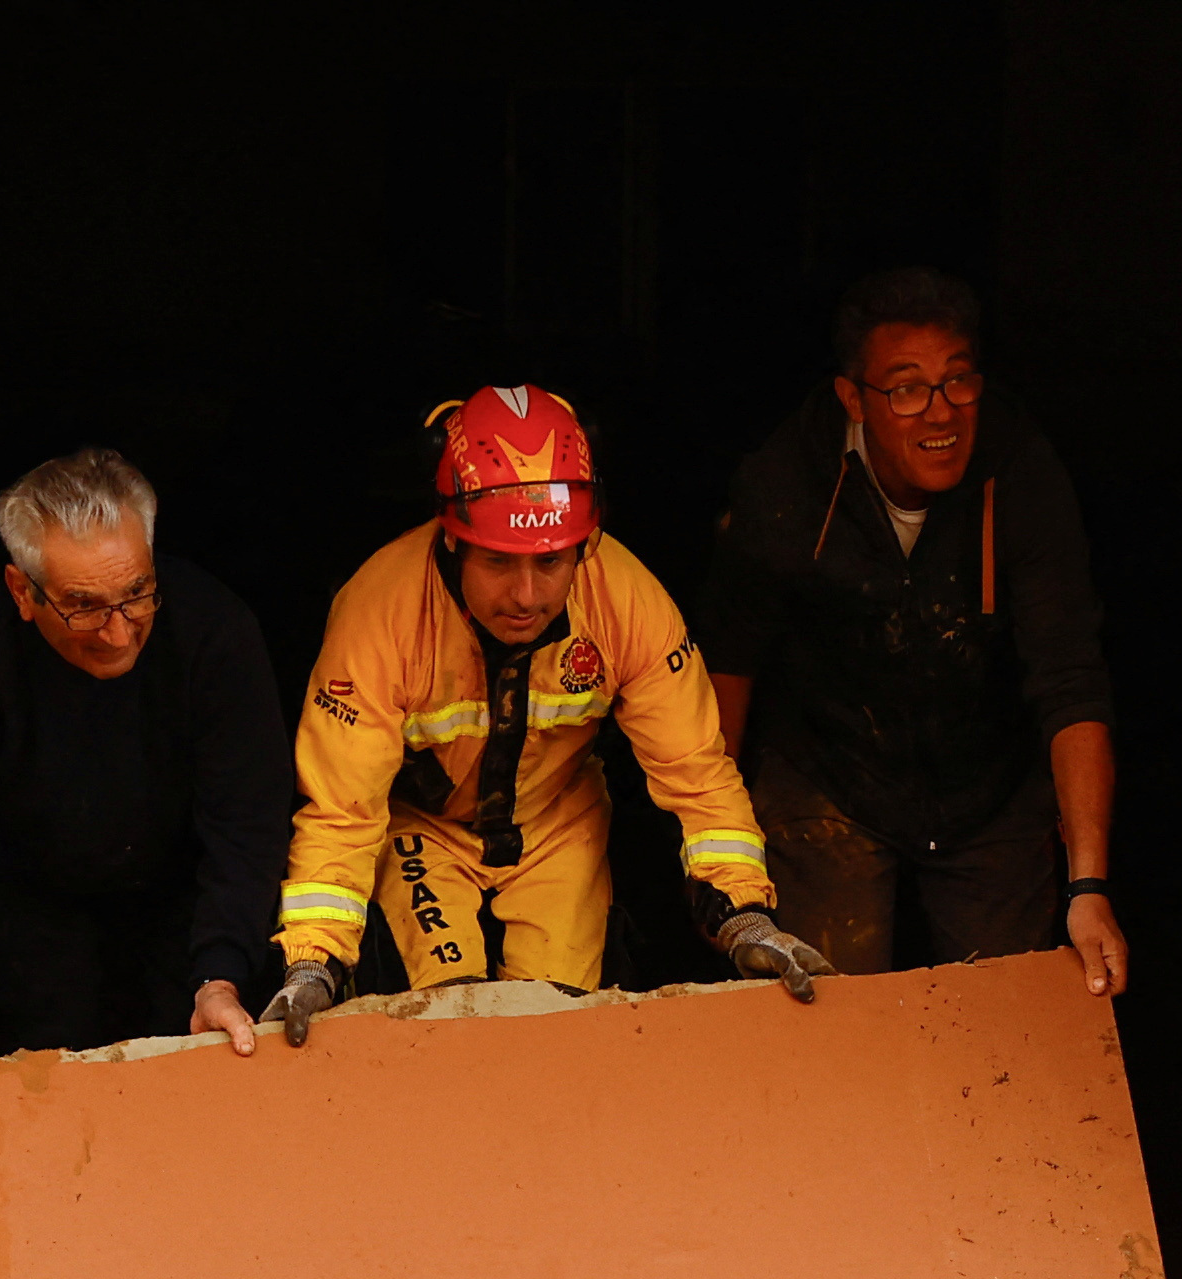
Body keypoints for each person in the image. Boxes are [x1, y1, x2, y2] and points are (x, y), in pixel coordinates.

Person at [265, 383, 826, 1032]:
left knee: (556, 1029)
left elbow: (698, 776)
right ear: (452, 540)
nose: (526, 595)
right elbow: (340, 812)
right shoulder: (377, 615)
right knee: (447, 1016)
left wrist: (742, 915)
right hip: (419, 827)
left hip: (558, 824)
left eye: (551, 562)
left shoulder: (627, 600)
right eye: (500, 562)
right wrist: (312, 964)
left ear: (585, 545)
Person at [704, 267, 1130, 997]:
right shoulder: (787, 481)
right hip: (828, 773)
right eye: (905, 388)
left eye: (957, 382)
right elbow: (729, 663)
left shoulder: (1019, 471)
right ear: (853, 399)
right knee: (826, 1018)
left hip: (987, 783)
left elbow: (1069, 678)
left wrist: (1087, 885)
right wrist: (717, 874)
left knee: (1000, 1033)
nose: (940, 413)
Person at [0, 449, 284, 1158]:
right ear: (22, 592)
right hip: (31, 894)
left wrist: (220, 971)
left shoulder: (214, 629)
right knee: (54, 1081)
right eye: (83, 606)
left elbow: (247, 825)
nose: (118, 632)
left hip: (186, 886)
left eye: (137, 594)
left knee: (198, 1078)